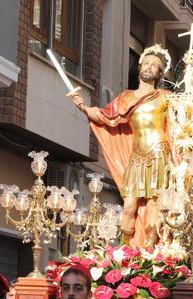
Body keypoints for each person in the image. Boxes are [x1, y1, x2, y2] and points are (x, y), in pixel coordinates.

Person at [70, 44, 174, 248]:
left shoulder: (165, 97)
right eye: (147, 63)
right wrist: (82, 106)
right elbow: (105, 116)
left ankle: (151, 247)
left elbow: (178, 126)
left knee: (154, 203)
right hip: (137, 155)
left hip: (159, 153)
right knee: (129, 204)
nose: (150, 67)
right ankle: (126, 248)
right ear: (140, 67)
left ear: (159, 73)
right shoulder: (126, 97)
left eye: (155, 66)